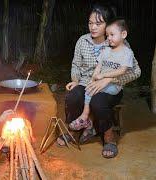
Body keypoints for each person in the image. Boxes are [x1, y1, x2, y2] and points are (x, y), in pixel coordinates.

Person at [57, 3, 141, 158]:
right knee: (73, 96)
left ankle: (109, 137)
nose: (93, 27)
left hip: (111, 87)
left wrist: (109, 80)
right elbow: (75, 65)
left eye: (98, 23)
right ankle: (75, 130)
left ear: (108, 24)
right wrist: (75, 80)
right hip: (86, 83)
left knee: (98, 101)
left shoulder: (118, 43)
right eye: (90, 23)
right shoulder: (83, 41)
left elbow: (136, 72)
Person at [69, 18, 133, 132]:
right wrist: (93, 77)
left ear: (123, 34)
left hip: (113, 85)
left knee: (96, 98)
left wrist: (104, 77)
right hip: (97, 82)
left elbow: (124, 71)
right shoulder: (105, 50)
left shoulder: (126, 51)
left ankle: (99, 128)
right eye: (90, 23)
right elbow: (98, 65)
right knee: (82, 92)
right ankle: (83, 119)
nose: (109, 38)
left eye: (98, 24)